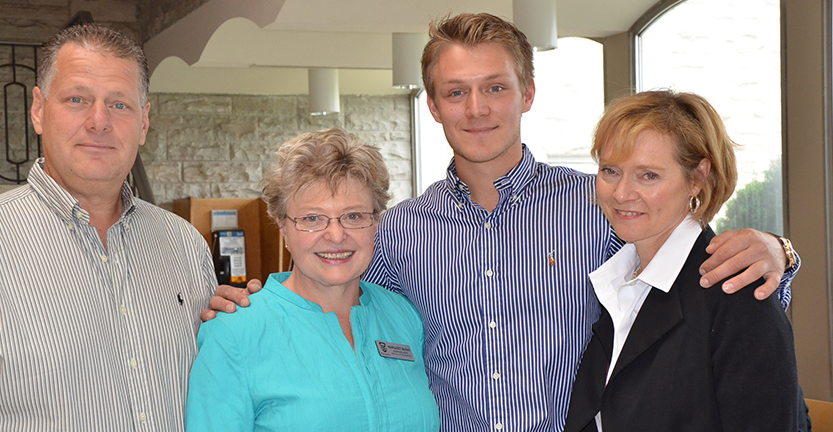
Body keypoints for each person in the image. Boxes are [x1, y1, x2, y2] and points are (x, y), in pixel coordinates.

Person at [205, 13, 799, 431]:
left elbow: (693, 284)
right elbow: (327, 281)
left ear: (528, 93)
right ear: (432, 105)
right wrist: (251, 301)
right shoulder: (398, 231)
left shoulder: (600, 209)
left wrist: (778, 253)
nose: (477, 108)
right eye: (455, 92)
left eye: (495, 87)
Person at [0, 24, 217, 430]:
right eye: (77, 99)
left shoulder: (183, 244)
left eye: (119, 105)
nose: (99, 121)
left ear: (144, 122)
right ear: (38, 110)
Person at [563, 90, 800, 431]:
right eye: (610, 170)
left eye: (648, 176)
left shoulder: (736, 293)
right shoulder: (619, 282)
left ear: (697, 178)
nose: (621, 193)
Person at [185, 127, 440, 431]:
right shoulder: (235, 332)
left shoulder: (402, 316)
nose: (335, 235)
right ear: (283, 228)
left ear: (376, 223)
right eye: (312, 219)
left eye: (354, 216)